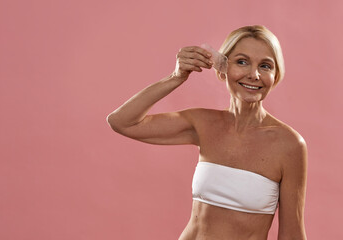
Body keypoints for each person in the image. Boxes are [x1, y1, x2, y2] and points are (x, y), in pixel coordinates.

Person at [107, 25, 307, 240]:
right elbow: (122, 122)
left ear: (275, 75)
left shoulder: (289, 144)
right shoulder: (203, 123)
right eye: (242, 61)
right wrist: (176, 77)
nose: (253, 74)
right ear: (223, 68)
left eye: (265, 66)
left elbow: (292, 233)